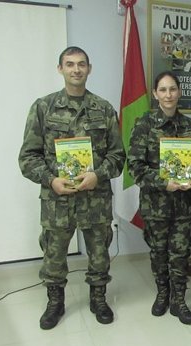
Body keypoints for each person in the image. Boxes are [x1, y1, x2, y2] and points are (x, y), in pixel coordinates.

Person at [18, 46, 125, 330]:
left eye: (81, 64)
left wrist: (99, 176)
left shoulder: (104, 109)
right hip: (57, 199)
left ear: (89, 69)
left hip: (96, 198)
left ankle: (99, 298)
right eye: (70, 64)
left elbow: (118, 157)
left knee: (100, 253)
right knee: (54, 255)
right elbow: (27, 158)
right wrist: (51, 179)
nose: (76, 69)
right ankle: (55, 302)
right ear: (60, 69)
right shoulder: (43, 107)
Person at [127, 71, 191, 325]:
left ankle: (179, 299)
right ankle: (162, 293)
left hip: (183, 205)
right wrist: (163, 183)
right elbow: (135, 166)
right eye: (163, 90)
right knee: (158, 252)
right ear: (156, 94)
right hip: (156, 204)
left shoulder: (190, 127)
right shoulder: (143, 124)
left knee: (180, 253)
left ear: (179, 92)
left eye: (172, 89)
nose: (168, 95)